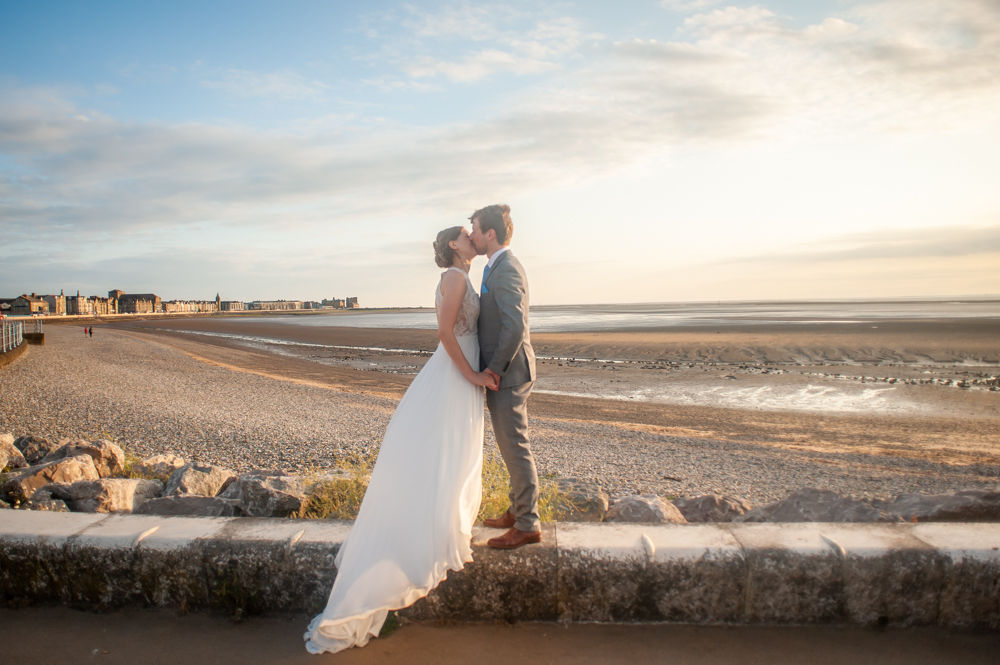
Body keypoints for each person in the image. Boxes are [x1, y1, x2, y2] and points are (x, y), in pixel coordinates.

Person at [304, 225, 496, 655]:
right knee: (446, 449)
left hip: (459, 374)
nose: (471, 238)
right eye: (466, 234)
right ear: (453, 244)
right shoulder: (454, 278)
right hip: (453, 374)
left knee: (453, 451)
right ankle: (432, 536)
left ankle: (448, 524)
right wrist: (473, 375)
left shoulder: (462, 277)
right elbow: (446, 334)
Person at [469, 204, 541, 549]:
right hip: (506, 371)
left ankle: (527, 524)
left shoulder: (507, 268)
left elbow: (515, 327)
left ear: (491, 234)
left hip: (510, 372)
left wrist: (493, 369)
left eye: (475, 229)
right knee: (509, 444)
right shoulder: (494, 266)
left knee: (516, 446)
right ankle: (517, 511)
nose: (471, 235)